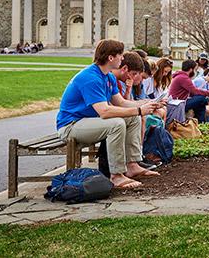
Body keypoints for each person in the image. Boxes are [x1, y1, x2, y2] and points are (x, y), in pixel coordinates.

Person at [56, 39, 164, 189]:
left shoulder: (108, 76)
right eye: (120, 55)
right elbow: (105, 111)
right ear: (111, 58)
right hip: (71, 125)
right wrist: (139, 110)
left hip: (88, 121)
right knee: (116, 124)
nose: (122, 58)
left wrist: (145, 104)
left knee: (133, 118)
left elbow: (121, 103)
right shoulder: (90, 77)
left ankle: (132, 165)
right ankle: (116, 175)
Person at [169, 59, 209, 123]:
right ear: (191, 69)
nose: (195, 72)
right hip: (178, 103)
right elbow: (195, 91)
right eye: (195, 69)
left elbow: (192, 93)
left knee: (201, 103)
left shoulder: (182, 77)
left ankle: (204, 122)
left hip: (182, 101)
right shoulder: (183, 78)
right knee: (202, 98)